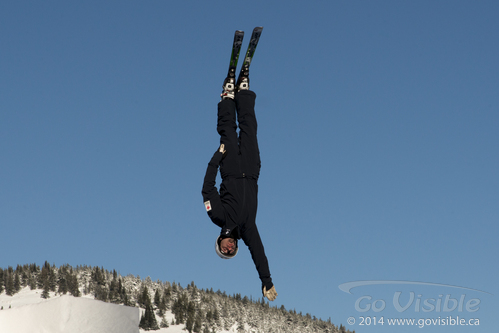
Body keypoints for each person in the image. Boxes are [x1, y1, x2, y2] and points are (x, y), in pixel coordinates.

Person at [202, 72, 278, 302]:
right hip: (252, 170)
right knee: (249, 130)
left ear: (219, 243)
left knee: (228, 131)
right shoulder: (247, 230)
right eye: (232, 251)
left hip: (231, 168)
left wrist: (217, 158)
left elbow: (207, 188)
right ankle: (243, 93)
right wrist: (267, 281)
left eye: (225, 250)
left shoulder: (218, 216)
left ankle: (227, 97)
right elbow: (258, 254)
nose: (230, 249)